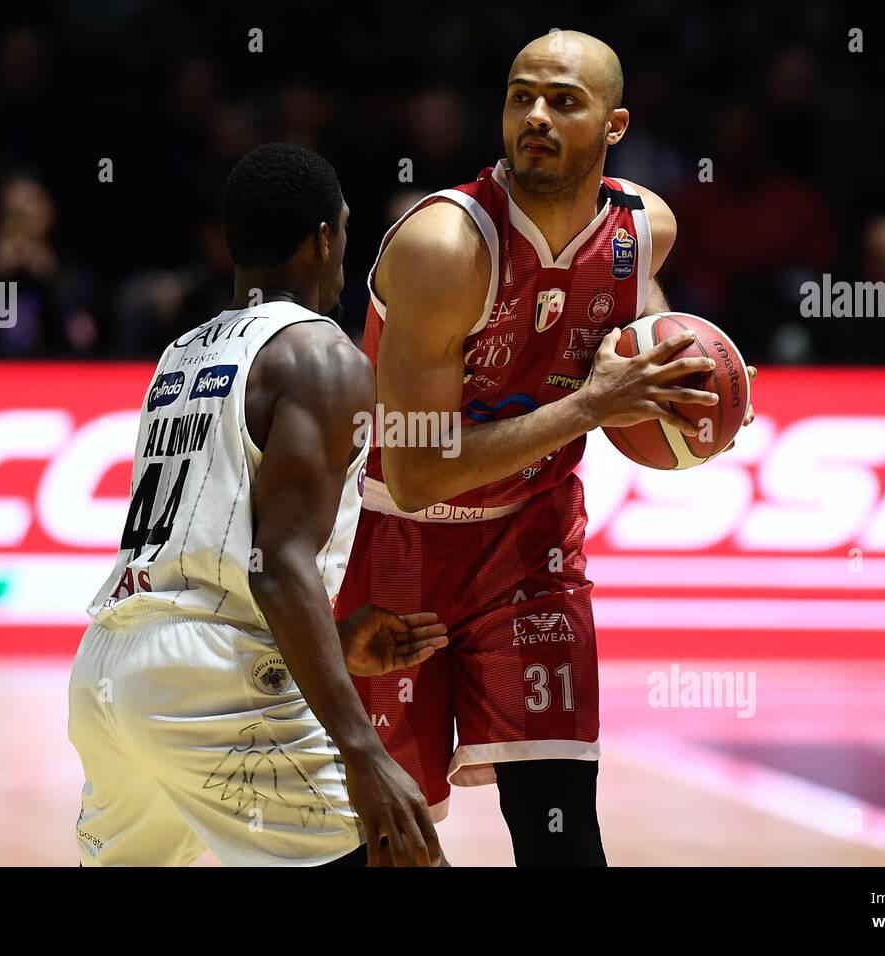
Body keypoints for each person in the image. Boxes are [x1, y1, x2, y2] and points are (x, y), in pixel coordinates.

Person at [336, 30, 756, 866]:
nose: (535, 116)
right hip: (392, 544)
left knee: (563, 829)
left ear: (615, 125)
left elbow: (655, 352)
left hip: (530, 546)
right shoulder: (445, 247)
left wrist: (699, 393)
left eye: (563, 101)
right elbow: (416, 473)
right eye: (521, 96)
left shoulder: (643, 232)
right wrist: (592, 405)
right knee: (387, 845)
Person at [68, 144, 447, 867]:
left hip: (111, 669)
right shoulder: (320, 356)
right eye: (341, 232)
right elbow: (275, 566)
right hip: (212, 680)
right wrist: (361, 747)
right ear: (324, 239)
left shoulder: (181, 353)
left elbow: (204, 556)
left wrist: (328, 640)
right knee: (403, 855)